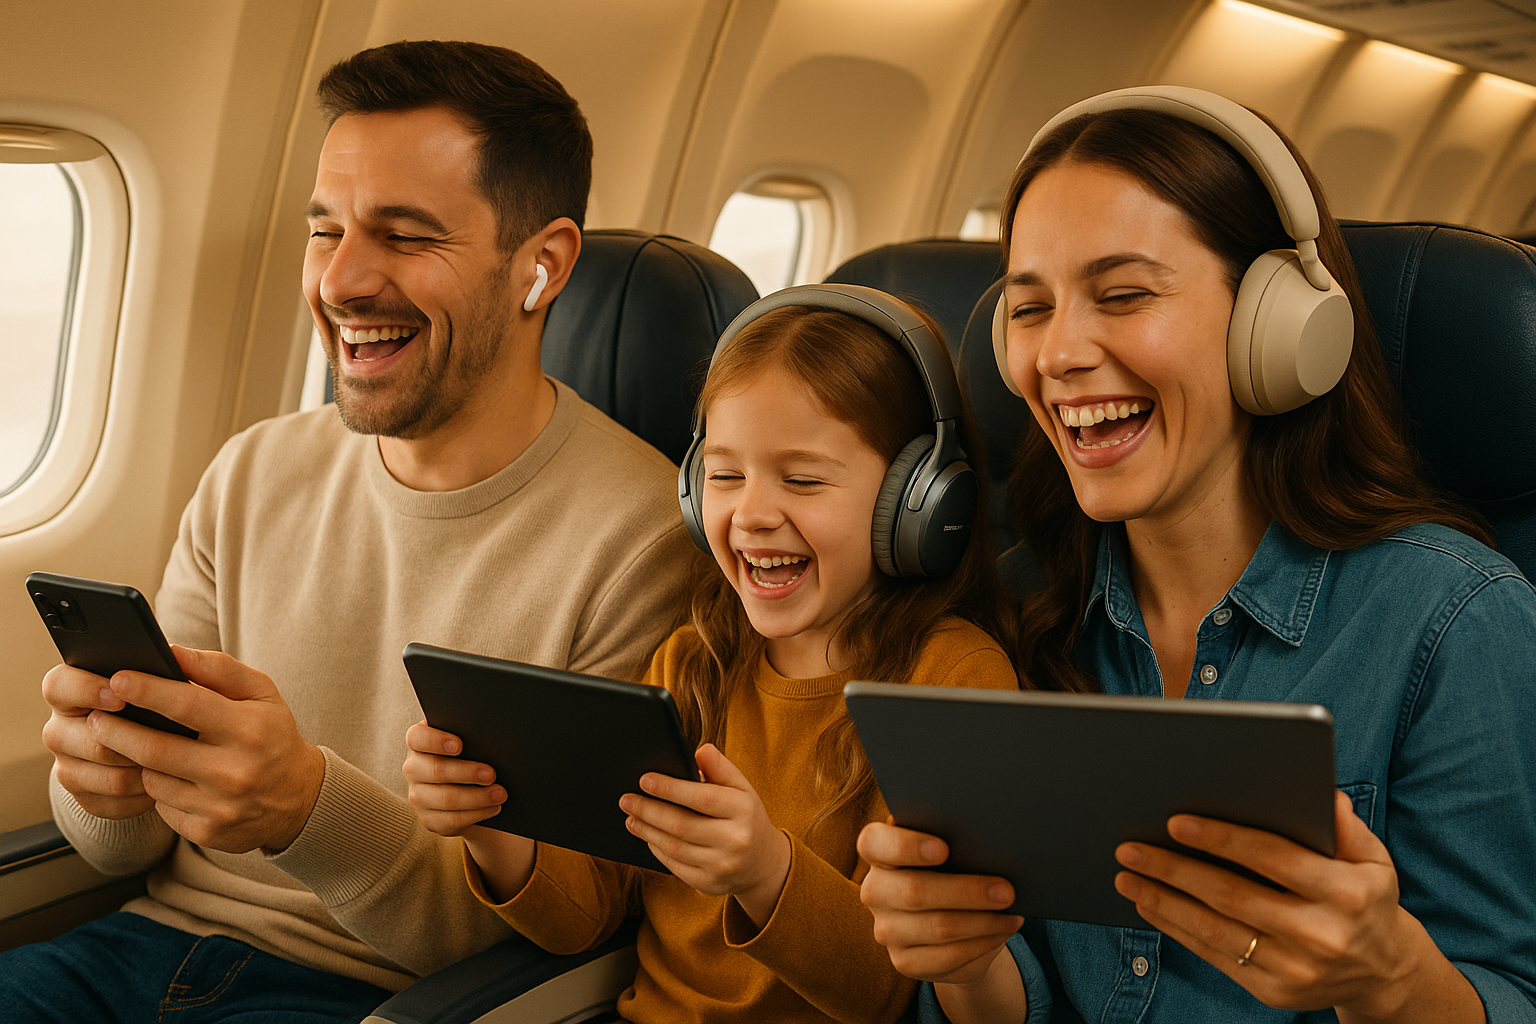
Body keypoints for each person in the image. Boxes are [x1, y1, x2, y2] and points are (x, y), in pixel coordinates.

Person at [3, 40, 701, 1023]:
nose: (340, 281)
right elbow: (130, 849)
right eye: (325, 230)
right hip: (134, 945)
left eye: (406, 236)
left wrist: (304, 808)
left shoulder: (641, 537)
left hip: (383, 997)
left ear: (538, 268)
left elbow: (551, 930)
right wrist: (106, 786)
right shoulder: (254, 468)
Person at [857, 88, 1536, 1024]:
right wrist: (963, 964)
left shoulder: (1454, 624)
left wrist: (1391, 980)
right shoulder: (1017, 610)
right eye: (1029, 307)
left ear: (1280, 320)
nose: (1056, 355)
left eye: (1124, 295)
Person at [403, 288, 1020, 1024]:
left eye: (803, 479)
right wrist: (490, 822)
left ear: (918, 501)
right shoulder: (694, 661)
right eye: (725, 476)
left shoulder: (951, 681)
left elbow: (894, 997)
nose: (751, 514)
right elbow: (584, 917)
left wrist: (766, 874)